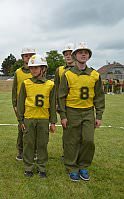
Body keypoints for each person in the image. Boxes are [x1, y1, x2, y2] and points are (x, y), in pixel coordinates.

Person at [58, 42, 105, 182]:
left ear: (89, 56)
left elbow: (99, 96)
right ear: (75, 56)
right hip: (72, 111)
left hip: (88, 112)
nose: (83, 54)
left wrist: (99, 115)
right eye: (80, 52)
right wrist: (63, 115)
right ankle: (72, 167)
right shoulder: (67, 74)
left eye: (86, 52)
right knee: (72, 141)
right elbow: (61, 96)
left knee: (88, 140)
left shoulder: (95, 75)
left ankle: (83, 165)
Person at [17, 54, 57, 178]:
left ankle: (42, 167)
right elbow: (21, 102)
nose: (33, 70)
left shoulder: (50, 84)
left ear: (43, 69)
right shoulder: (26, 83)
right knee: (28, 143)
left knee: (42, 144)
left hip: (43, 119)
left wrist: (53, 122)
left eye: (36, 67)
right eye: (31, 68)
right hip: (29, 119)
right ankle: (28, 167)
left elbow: (52, 104)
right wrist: (21, 120)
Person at [12, 48, 36, 161]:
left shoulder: (37, 70)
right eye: (26, 56)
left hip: (34, 105)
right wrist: (15, 105)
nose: (28, 58)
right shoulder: (18, 72)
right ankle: (21, 151)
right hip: (22, 105)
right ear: (22, 58)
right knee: (22, 128)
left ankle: (34, 151)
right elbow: (14, 89)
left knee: (34, 129)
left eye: (31, 55)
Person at [54, 43, 75, 160]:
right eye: (66, 54)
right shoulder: (60, 70)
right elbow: (56, 88)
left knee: (79, 132)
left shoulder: (82, 70)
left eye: (70, 54)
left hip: (78, 105)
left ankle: (78, 154)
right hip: (65, 105)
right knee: (67, 131)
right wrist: (57, 103)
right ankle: (66, 154)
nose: (68, 56)